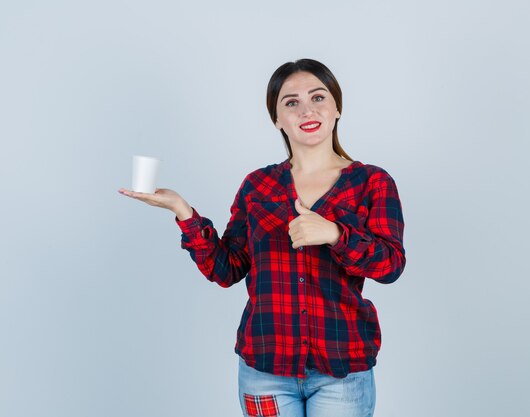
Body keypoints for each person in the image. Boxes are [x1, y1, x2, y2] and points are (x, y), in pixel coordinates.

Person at [118, 58, 406, 417]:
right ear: (277, 119)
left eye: (318, 98)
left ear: (336, 108)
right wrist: (183, 212)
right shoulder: (258, 186)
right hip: (265, 371)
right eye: (291, 103)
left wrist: (334, 234)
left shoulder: (372, 183)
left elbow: (391, 265)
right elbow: (227, 269)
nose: (306, 110)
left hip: (342, 371)